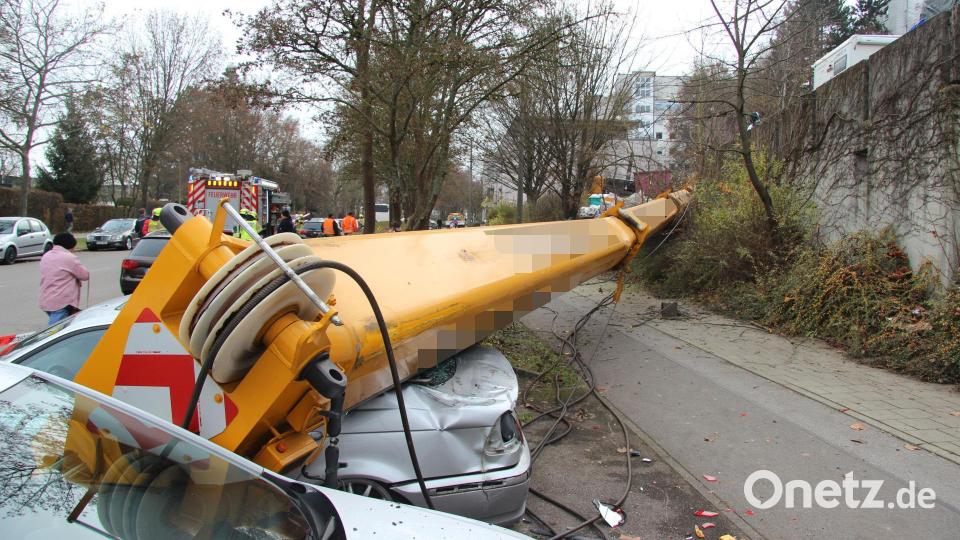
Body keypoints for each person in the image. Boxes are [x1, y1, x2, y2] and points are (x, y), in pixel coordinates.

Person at [39, 233, 89, 325]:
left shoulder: (46, 256)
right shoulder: (69, 257)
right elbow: (85, 275)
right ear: (70, 246)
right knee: (54, 331)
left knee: (62, 327)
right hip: (61, 301)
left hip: (46, 299)